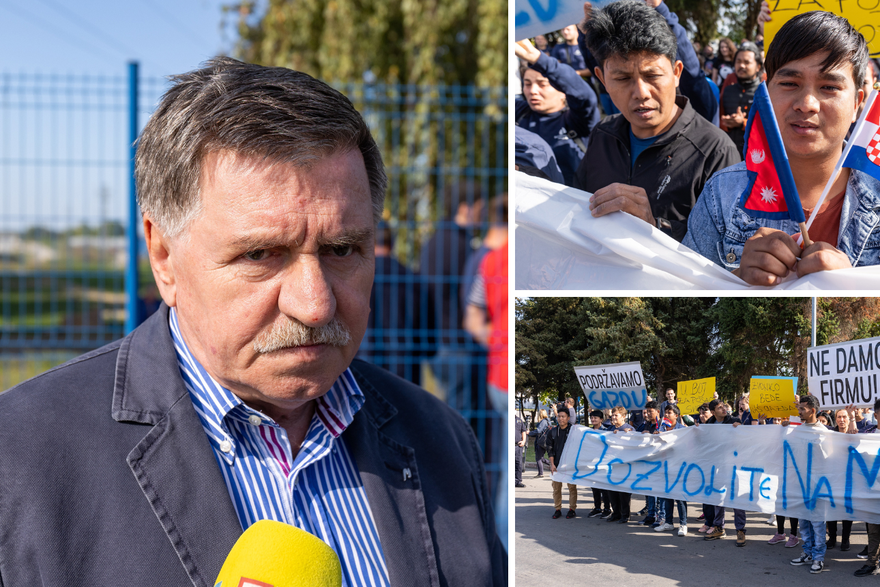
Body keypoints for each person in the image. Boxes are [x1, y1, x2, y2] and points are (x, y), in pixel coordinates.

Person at [0, 58, 505, 586]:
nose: (315, 305)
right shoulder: (20, 460)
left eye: (341, 249)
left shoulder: (440, 438)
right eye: (261, 254)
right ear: (163, 256)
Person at [683, 11, 880, 285]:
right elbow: (681, 297)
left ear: (858, 102)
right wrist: (736, 280)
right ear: (766, 92)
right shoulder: (722, 195)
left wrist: (858, 292)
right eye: (789, 84)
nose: (807, 103)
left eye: (829, 87)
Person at [574, 0, 739, 242]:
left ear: (676, 73)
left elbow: (730, 252)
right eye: (622, 78)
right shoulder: (603, 134)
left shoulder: (715, 151)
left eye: (652, 75)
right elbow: (576, 208)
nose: (641, 92)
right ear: (603, 79)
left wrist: (655, 226)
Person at [515, 39, 601, 186]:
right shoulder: (521, 112)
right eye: (527, 84)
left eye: (543, 84)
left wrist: (538, 59)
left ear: (563, 91)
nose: (533, 91)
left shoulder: (577, 120)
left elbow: (584, 95)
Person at [359, 221, 423, 385]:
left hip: (363, 367)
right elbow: (427, 340)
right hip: (405, 370)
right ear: (392, 242)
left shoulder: (356, 278)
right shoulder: (412, 278)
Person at [790, 394, 829, 574]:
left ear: (812, 410)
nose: (799, 412)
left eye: (802, 409)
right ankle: (808, 552)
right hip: (801, 484)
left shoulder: (824, 433)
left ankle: (819, 557)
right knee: (804, 521)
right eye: (799, 409)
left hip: (818, 486)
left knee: (818, 523)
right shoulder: (798, 430)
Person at [719, 42, 764, 154]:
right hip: (730, 153)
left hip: (757, 155)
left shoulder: (765, 92)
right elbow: (719, 121)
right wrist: (727, 122)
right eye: (738, 62)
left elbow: (771, 127)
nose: (741, 66)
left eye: (747, 62)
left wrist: (743, 123)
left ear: (758, 66)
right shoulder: (728, 90)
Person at [856, 398, 880, 575]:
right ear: (876, 415)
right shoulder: (868, 432)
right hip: (872, 492)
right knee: (873, 530)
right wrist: (851, 417)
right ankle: (872, 562)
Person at [606, 406, 635, 523]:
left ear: (623, 417)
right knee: (611, 490)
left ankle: (625, 515)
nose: (613, 417)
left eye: (616, 415)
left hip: (625, 466)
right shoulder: (610, 430)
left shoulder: (630, 429)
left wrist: (627, 434)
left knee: (623, 492)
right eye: (612, 415)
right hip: (612, 465)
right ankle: (615, 513)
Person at [548, 409, 579, 519]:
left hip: (570, 466)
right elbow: (550, 449)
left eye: (563, 416)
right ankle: (557, 509)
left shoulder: (574, 431)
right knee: (556, 489)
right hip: (556, 465)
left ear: (568, 418)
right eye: (559, 416)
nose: (560, 418)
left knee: (572, 488)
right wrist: (552, 464)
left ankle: (572, 509)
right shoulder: (552, 431)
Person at [586, 409, 613, 518]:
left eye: (595, 418)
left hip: (603, 464)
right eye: (591, 418)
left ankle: (607, 508)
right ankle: (597, 508)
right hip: (592, 464)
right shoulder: (589, 432)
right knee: (594, 487)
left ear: (601, 419)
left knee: (604, 488)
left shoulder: (606, 431)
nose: (593, 420)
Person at [529, 409, 552, 478]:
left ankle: (540, 473)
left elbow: (538, 431)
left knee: (538, 458)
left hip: (541, 442)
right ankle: (551, 464)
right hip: (545, 441)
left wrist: (529, 433)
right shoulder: (548, 421)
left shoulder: (543, 421)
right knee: (541, 458)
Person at [515, 412, 528, 489]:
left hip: (517, 446)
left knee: (518, 464)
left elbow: (523, 431)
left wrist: (523, 441)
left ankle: (517, 481)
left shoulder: (519, 420)